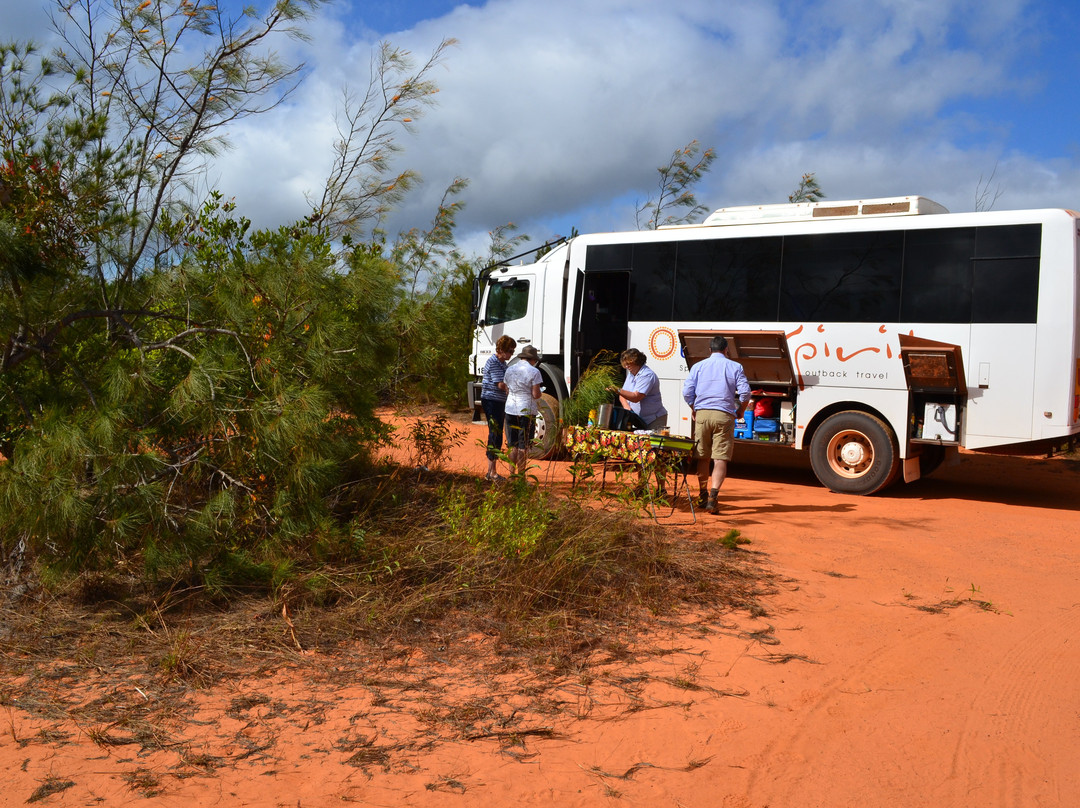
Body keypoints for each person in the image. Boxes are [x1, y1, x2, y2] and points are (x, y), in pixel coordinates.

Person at [681, 335, 751, 513]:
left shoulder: (698, 366)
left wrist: (693, 407)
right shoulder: (735, 366)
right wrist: (741, 410)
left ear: (709, 350)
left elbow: (687, 391)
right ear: (726, 350)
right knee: (720, 458)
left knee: (703, 456)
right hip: (724, 415)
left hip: (703, 414)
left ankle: (703, 495)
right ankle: (713, 497)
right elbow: (745, 393)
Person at [502, 344, 543, 477]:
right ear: (532, 359)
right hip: (526, 410)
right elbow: (536, 394)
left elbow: (507, 389)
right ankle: (521, 476)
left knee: (512, 443)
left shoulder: (510, 369)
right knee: (523, 445)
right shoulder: (534, 372)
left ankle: (511, 474)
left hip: (510, 409)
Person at [480, 335, 516, 481]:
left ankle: (492, 471)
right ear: (501, 350)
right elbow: (500, 384)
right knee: (495, 434)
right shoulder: (494, 362)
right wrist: (514, 389)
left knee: (498, 434)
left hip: (498, 402)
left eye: (513, 351)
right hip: (491, 401)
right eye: (509, 351)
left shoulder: (502, 364)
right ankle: (491, 472)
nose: (511, 354)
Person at [609, 348, 668, 430]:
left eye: (629, 364)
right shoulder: (631, 374)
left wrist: (617, 390)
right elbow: (622, 395)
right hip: (639, 420)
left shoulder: (647, 375)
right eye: (625, 364)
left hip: (653, 419)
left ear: (637, 362)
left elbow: (636, 397)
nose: (627, 367)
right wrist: (627, 408)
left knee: (652, 442)